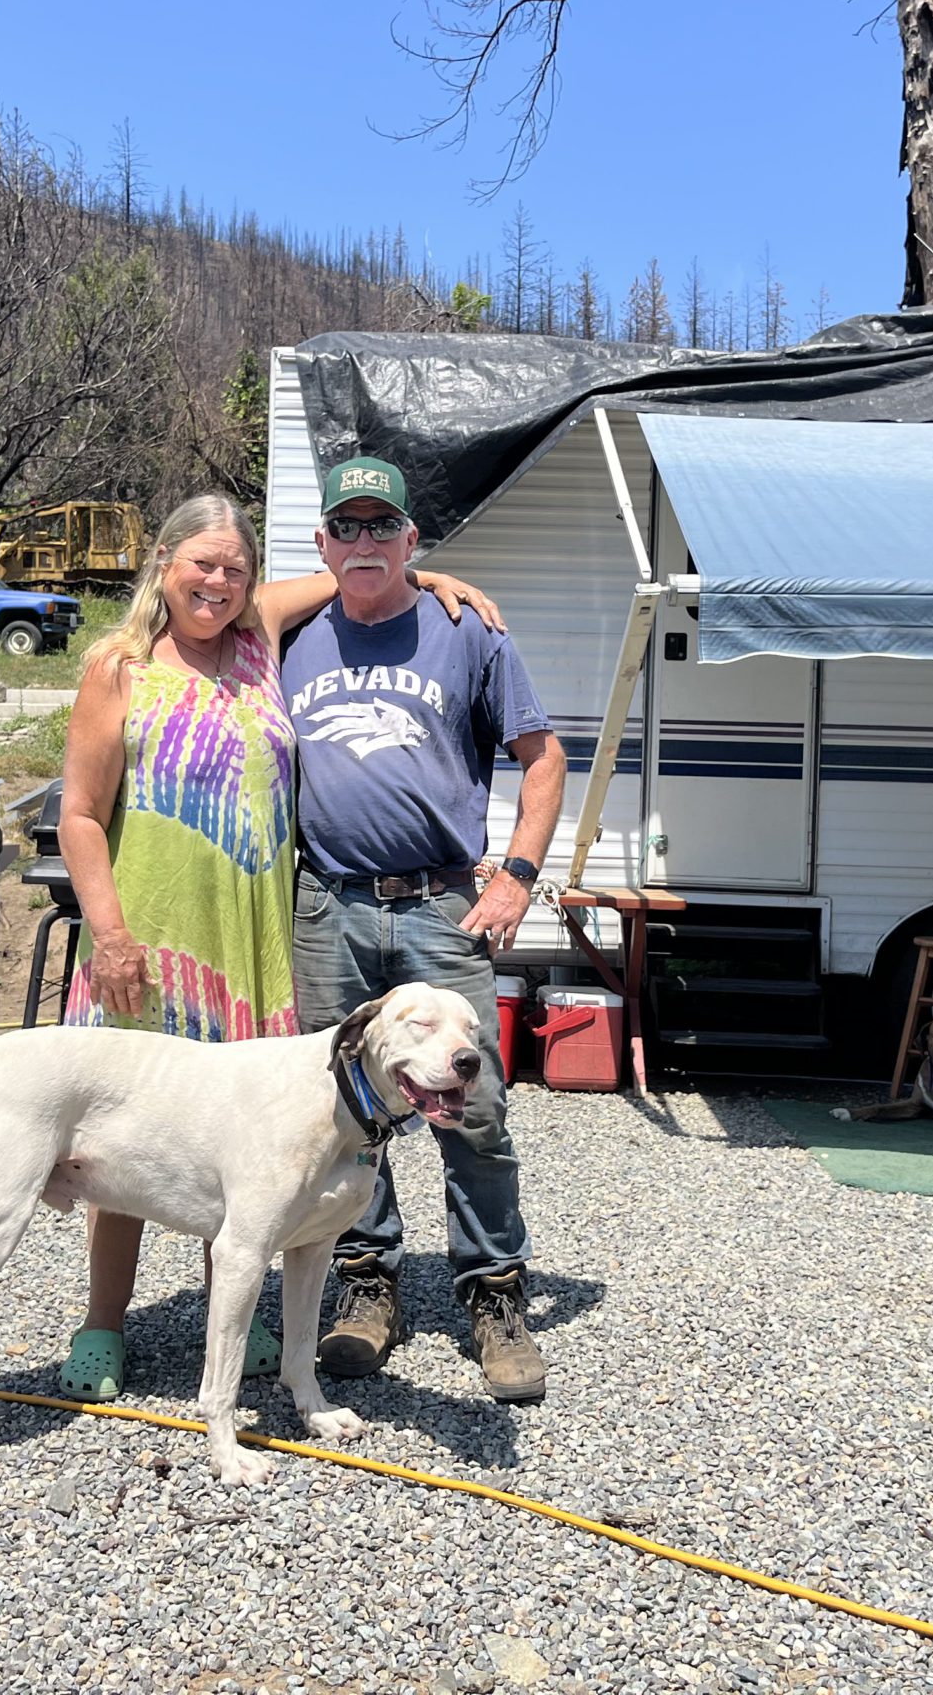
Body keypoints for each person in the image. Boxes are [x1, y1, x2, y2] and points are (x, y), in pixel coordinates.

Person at [52, 492, 496, 1402]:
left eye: (235, 568)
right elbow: (80, 814)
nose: (216, 583)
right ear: (164, 562)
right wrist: (110, 934)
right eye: (201, 564)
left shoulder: (257, 637)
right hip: (149, 936)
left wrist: (431, 577)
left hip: (252, 941)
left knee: (245, 1148)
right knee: (122, 1139)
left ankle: (237, 1321)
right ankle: (103, 1324)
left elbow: (360, 572)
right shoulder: (117, 666)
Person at [282, 456, 568, 1405]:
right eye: (346, 526)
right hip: (327, 906)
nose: (364, 541)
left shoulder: (466, 632)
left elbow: (543, 758)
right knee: (346, 1112)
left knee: (471, 1110)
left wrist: (517, 877)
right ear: (323, 542)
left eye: (382, 526)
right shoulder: (291, 636)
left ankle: (496, 1297)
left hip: (440, 907)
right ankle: (368, 1286)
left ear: (412, 537)